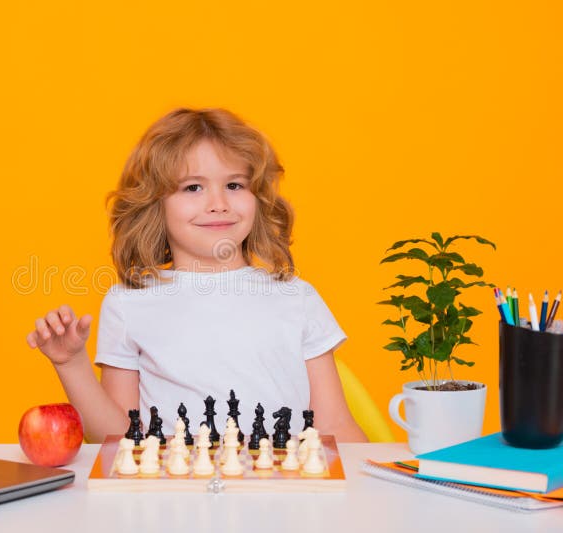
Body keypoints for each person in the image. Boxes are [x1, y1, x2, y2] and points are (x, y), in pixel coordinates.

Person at [26, 108, 367, 443]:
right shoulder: (128, 303)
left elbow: (335, 424)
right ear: (154, 204)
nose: (218, 203)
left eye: (234, 185)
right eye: (192, 188)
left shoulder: (297, 297)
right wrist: (71, 363)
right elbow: (117, 438)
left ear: (258, 198)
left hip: (281, 492)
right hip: (172, 495)